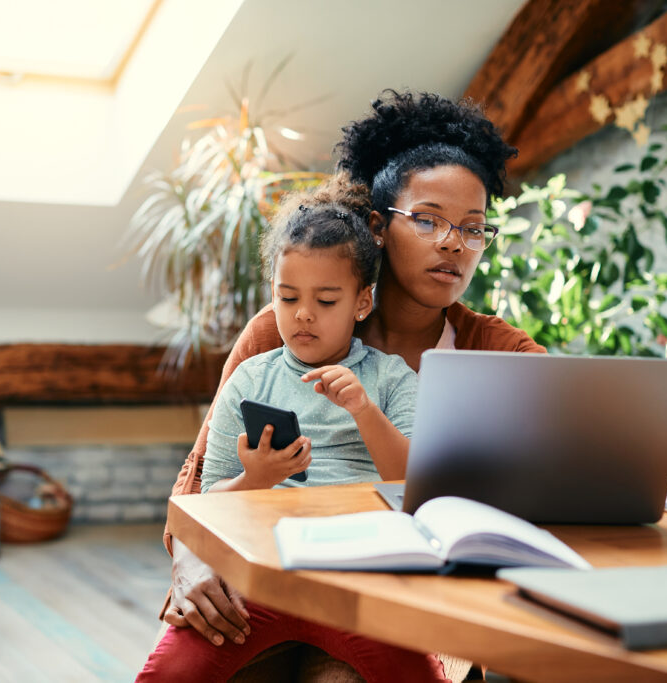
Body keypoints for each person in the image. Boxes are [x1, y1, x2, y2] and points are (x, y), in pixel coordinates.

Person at [161, 90, 546, 677]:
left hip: (409, 601)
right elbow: (200, 485)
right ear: (378, 226)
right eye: (428, 220)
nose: (453, 244)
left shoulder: (504, 354)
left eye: (473, 229)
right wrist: (190, 559)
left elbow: (533, 495)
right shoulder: (279, 334)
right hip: (267, 586)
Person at [138, 180, 446, 681]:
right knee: (168, 673)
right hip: (258, 577)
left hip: (356, 577)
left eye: (326, 301)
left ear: (362, 303)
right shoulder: (251, 377)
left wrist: (364, 411)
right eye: (287, 297)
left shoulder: (392, 379)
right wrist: (255, 478)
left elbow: (414, 487)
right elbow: (208, 497)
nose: (303, 314)